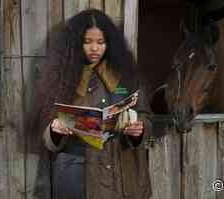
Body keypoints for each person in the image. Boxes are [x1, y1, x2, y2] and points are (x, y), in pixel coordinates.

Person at [31, 9, 152, 199]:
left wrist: (139, 129)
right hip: (77, 179)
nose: (94, 48)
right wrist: (55, 129)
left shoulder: (127, 76)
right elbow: (45, 130)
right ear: (76, 43)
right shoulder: (61, 78)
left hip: (122, 177)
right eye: (87, 42)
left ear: (109, 44)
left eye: (100, 42)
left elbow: (145, 115)